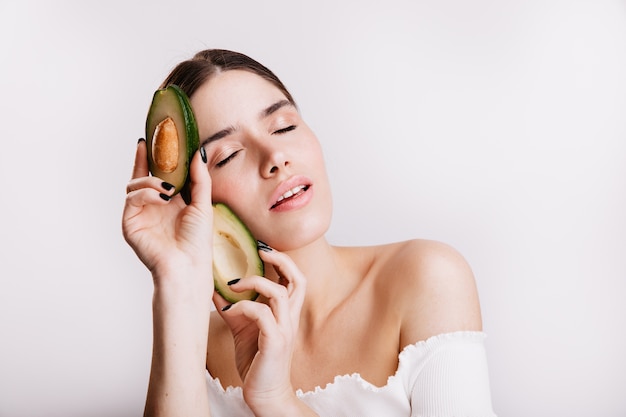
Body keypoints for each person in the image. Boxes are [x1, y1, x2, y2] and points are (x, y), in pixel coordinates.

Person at [123, 49, 496, 417]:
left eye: (284, 126)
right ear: (191, 203)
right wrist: (173, 278)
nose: (275, 157)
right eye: (227, 156)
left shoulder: (426, 276)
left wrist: (276, 400)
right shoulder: (194, 338)